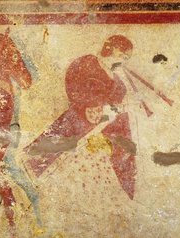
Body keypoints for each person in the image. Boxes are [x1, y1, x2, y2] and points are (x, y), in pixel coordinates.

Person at [25, 35, 137, 200]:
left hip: (104, 130)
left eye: (126, 58)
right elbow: (73, 88)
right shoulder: (86, 63)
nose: (123, 61)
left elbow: (116, 105)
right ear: (111, 49)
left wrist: (115, 109)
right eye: (121, 55)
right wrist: (91, 105)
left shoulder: (119, 83)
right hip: (79, 118)